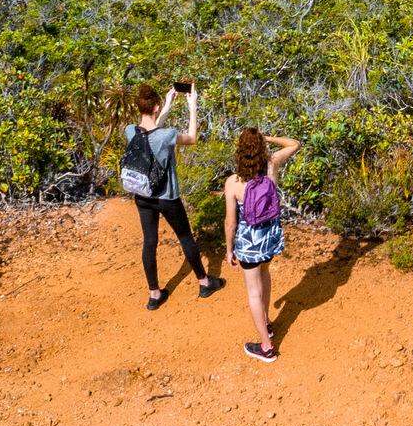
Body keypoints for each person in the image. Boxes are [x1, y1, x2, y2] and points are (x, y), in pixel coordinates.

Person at [123, 82, 223, 310]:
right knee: (185, 237)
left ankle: (154, 294)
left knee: (149, 242)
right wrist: (193, 106)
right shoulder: (167, 135)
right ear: (155, 107)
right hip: (167, 197)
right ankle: (204, 282)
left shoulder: (130, 131)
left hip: (143, 194)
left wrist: (166, 105)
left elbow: (149, 133)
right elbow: (192, 137)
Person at [223, 127, 300, 363]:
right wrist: (267, 138)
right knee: (265, 274)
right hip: (270, 239)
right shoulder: (271, 166)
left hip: (248, 244)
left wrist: (229, 249)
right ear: (260, 149)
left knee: (253, 293)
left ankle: (266, 347)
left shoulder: (234, 183)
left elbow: (230, 222)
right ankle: (267, 321)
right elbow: (294, 143)